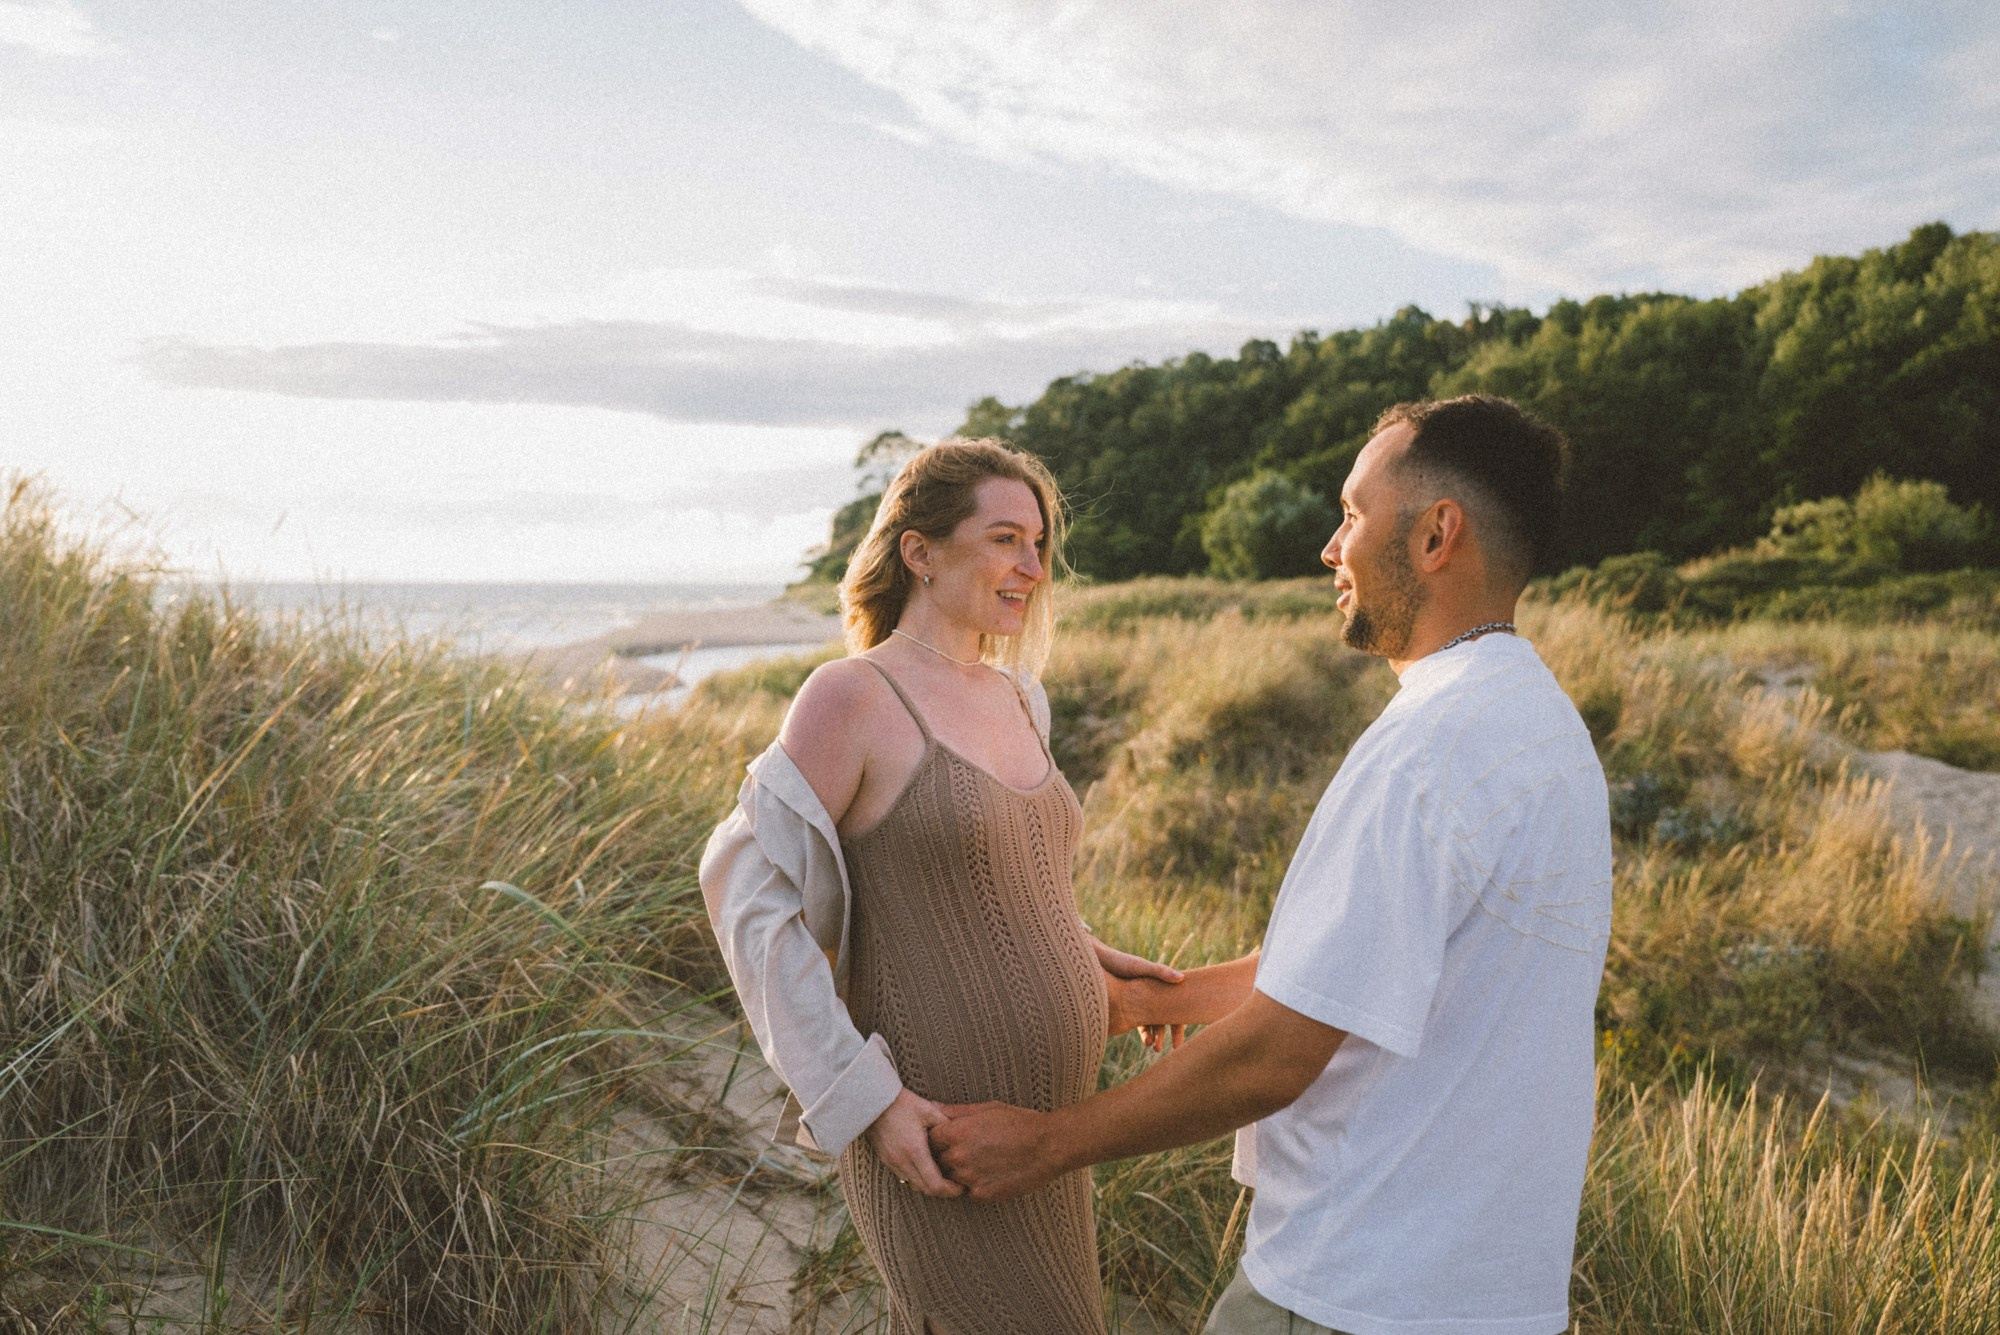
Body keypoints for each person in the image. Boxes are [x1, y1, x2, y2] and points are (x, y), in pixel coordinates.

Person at [931, 396, 1615, 1335]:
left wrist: (1046, 1144)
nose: (1331, 550)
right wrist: (1160, 999)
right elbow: (1361, 965)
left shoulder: (1428, 747)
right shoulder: (1540, 726)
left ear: (1435, 536)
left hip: (1354, 1289)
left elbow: (1277, 1056)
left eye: (1351, 515)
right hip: (1490, 1299)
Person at [699, 438, 1180, 1335]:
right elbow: (743, 893)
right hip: (941, 1135)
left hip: (1045, 1134)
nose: (1032, 567)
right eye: (1005, 538)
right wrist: (866, 1099)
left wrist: (1083, 952)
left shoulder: (1019, 696)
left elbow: (995, 886)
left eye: (1038, 544)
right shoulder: (851, 696)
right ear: (921, 552)